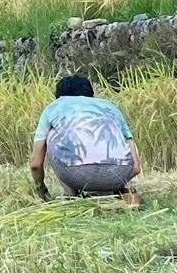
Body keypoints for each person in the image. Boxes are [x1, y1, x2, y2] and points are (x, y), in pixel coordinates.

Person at [29, 73, 143, 203]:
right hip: (119, 174)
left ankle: (71, 194)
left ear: (59, 95)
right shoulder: (110, 106)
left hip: (75, 175)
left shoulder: (54, 107)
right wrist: (120, 178)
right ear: (90, 94)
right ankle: (117, 191)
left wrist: (41, 190)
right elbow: (135, 164)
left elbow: (35, 164)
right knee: (119, 136)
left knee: (52, 133)